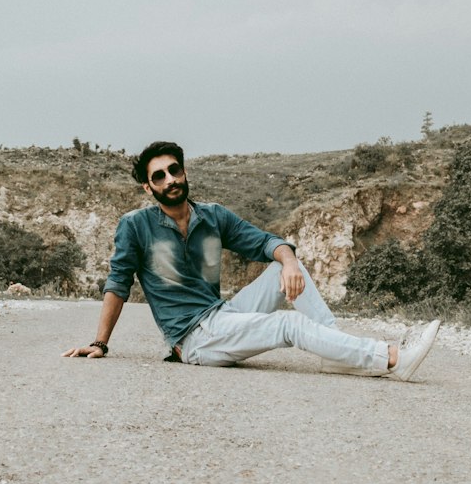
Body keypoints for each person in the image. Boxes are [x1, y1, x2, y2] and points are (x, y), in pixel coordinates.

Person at [64, 141, 440, 378]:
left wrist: (289, 261)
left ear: (184, 171)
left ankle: (337, 349)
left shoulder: (212, 216)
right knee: (287, 325)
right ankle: (390, 359)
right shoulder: (135, 226)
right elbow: (118, 284)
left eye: (174, 170)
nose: (169, 180)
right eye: (158, 176)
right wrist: (100, 343)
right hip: (194, 338)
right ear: (149, 187)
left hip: (221, 314)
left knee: (284, 264)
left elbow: (266, 243)